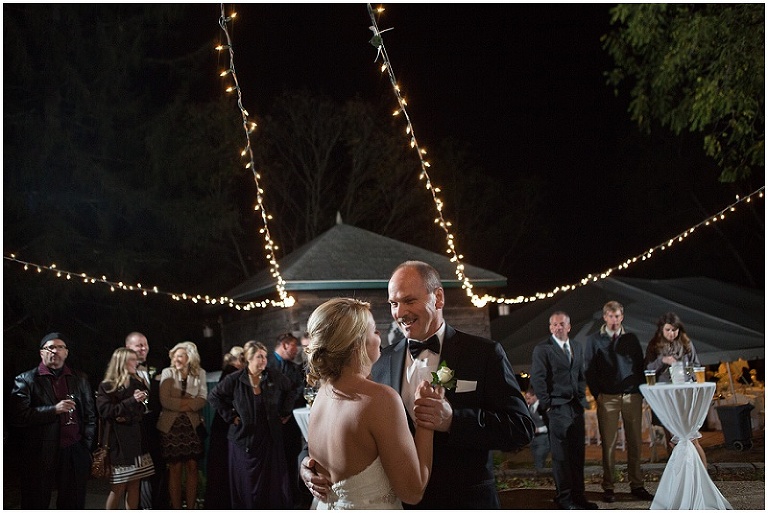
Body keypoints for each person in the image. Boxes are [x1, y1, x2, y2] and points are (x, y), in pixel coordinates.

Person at [301, 260, 534, 509]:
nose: (400, 313)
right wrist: (306, 465)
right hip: (401, 502)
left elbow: (521, 429)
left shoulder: (483, 354)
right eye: (393, 303)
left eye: (409, 301)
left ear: (438, 298)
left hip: (465, 501)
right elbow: (334, 426)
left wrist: (453, 420)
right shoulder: (380, 360)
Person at [302, 297, 438, 509]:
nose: (379, 337)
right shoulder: (379, 399)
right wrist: (425, 421)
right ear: (357, 344)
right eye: (374, 331)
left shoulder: (323, 394)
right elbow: (413, 492)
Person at [10, 332, 97, 509]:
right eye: (50, 347)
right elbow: (19, 416)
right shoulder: (26, 379)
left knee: (72, 503)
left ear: (66, 352)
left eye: (60, 347)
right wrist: (53, 410)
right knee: (35, 503)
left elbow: (90, 416)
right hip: (39, 453)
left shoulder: (79, 378)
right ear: (41, 353)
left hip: (73, 451)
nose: (55, 351)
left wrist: (85, 448)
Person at [208, 340, 298, 508]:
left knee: (271, 484)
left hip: (269, 439)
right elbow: (214, 397)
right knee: (248, 485)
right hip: (244, 441)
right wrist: (230, 416)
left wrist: (285, 411)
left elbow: (291, 389)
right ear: (249, 358)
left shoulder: (273, 375)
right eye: (259, 356)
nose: (264, 360)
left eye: (265, 356)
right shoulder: (234, 379)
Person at [584, 301, 653, 503]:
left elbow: (639, 366)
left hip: (632, 396)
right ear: (604, 317)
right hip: (608, 398)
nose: (614, 320)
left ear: (622, 317)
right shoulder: (594, 340)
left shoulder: (631, 338)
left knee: (635, 442)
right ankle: (609, 486)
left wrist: (640, 392)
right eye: (610, 316)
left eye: (617, 316)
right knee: (609, 444)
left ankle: (637, 485)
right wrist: (598, 394)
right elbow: (589, 369)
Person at [530, 312, 597, 510]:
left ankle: (579, 497)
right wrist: (548, 404)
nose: (558, 327)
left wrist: (581, 398)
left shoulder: (576, 346)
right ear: (550, 328)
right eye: (554, 324)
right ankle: (564, 499)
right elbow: (538, 379)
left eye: (562, 324)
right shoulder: (543, 349)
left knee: (578, 455)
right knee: (561, 457)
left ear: (569, 327)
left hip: (575, 407)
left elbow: (580, 375)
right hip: (556, 408)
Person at [96, 347, 156, 509]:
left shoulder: (137, 382)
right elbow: (106, 411)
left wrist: (133, 409)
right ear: (121, 362)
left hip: (137, 441)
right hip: (119, 444)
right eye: (132, 359)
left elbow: (141, 412)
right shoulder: (107, 385)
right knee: (119, 486)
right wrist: (130, 403)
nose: (136, 363)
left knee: (135, 484)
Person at [644, 312, 706, 466]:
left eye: (674, 330)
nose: (672, 333)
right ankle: (678, 474)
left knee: (691, 437)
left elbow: (695, 365)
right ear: (661, 330)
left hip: (685, 394)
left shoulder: (686, 343)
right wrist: (662, 360)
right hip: (665, 396)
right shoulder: (654, 345)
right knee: (672, 439)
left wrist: (687, 374)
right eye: (668, 330)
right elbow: (647, 369)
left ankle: (702, 474)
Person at [157, 341, 208, 509]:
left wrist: (183, 403)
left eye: (180, 355)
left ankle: (191, 508)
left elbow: (202, 399)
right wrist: (187, 401)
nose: (176, 359)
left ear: (189, 357)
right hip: (171, 427)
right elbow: (165, 400)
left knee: (193, 467)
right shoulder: (167, 372)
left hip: (192, 426)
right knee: (175, 468)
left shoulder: (199, 373)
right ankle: (177, 509)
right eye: (175, 355)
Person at [267, 332, 310, 508]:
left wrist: (286, 412)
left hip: (289, 422)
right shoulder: (266, 364)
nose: (297, 349)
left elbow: (298, 390)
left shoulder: (293, 368)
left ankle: (292, 498)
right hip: (270, 422)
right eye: (294, 346)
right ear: (285, 345)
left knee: (291, 457)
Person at [125, 331, 165, 509]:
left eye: (145, 344)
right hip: (133, 428)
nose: (143, 348)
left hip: (155, 426)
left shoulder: (158, 366)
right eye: (138, 345)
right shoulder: (122, 372)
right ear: (128, 348)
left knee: (158, 469)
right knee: (136, 475)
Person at [203, 345, 245, 510]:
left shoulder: (230, 373)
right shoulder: (231, 374)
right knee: (223, 467)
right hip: (225, 428)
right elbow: (218, 398)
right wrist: (232, 416)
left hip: (223, 426)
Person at [524, 388, 551, 473]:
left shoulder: (543, 407)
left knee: (539, 459)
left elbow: (550, 424)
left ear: (534, 396)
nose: (527, 401)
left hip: (543, 439)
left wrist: (539, 429)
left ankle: (540, 478)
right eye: (526, 398)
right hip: (534, 439)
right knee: (536, 459)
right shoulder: (529, 408)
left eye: (529, 398)